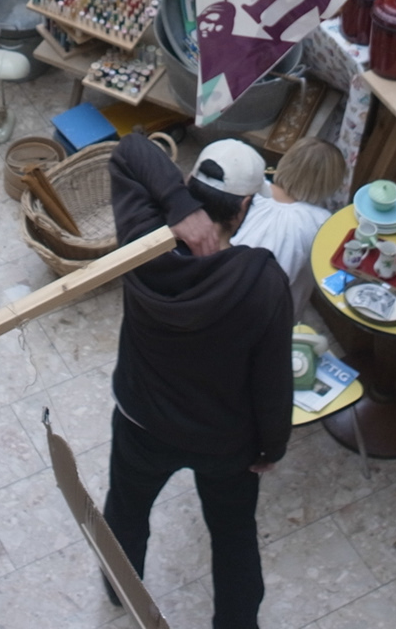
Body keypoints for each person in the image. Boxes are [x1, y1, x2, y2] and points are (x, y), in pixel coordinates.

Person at [105, 135, 292, 629]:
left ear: (188, 183)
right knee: (233, 535)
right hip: (223, 443)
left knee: (126, 512)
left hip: (141, 423)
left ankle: (119, 588)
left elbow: (129, 151)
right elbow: (272, 383)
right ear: (245, 207)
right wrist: (272, 447)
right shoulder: (261, 284)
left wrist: (176, 204)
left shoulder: (142, 243)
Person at [230, 137, 346, 318]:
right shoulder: (320, 221)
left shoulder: (255, 188)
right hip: (272, 312)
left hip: (227, 284)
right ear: (330, 184)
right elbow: (328, 273)